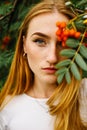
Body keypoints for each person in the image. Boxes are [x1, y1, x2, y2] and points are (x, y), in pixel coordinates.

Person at [0, 0, 87, 130]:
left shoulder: (84, 95)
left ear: (76, 47)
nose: (52, 57)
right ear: (24, 45)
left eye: (62, 43)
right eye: (40, 41)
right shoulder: (7, 108)